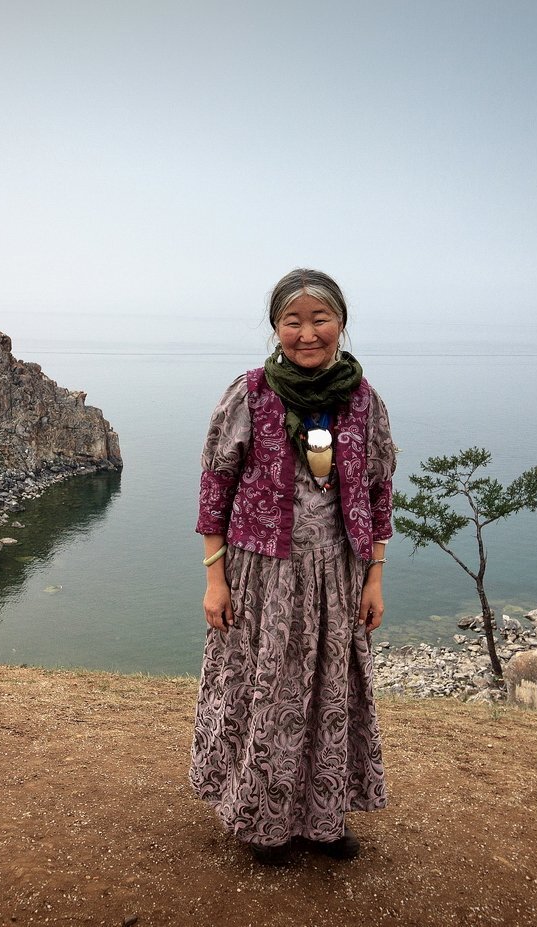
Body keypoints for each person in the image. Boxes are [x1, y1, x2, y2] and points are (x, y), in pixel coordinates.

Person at [190, 268, 396, 865]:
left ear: (341, 325)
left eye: (320, 319)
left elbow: (379, 492)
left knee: (330, 694)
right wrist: (214, 578)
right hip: (263, 575)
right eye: (292, 320)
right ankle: (264, 820)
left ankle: (324, 819)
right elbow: (215, 485)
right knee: (269, 693)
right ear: (276, 327)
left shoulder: (362, 400)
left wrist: (375, 578)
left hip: (338, 573)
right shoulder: (251, 394)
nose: (307, 333)